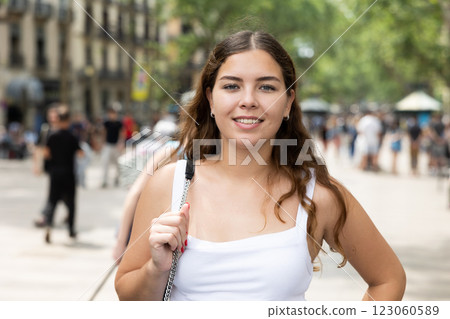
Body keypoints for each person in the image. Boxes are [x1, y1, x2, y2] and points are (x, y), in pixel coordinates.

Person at [115, 30, 405, 300]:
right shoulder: (169, 183)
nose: (248, 100)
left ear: (288, 102)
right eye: (231, 86)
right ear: (210, 99)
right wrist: (156, 269)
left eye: (266, 87)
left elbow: (388, 279)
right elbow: (127, 294)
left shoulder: (318, 194)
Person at [43, 105, 84, 243]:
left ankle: (48, 225)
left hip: (55, 173)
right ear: (68, 121)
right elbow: (80, 154)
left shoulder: (52, 135)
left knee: (52, 201)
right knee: (71, 202)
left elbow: (46, 153)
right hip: (68, 173)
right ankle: (71, 230)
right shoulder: (72, 136)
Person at [33, 104, 60, 227]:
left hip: (63, 166)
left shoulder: (63, 129)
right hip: (50, 166)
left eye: (55, 115)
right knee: (53, 193)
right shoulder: (45, 130)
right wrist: (36, 165)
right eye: (51, 115)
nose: (53, 117)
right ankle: (47, 217)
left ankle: (47, 217)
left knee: (56, 193)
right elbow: (38, 148)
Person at [101, 107, 124, 188]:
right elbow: (104, 133)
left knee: (117, 164)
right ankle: (104, 181)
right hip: (108, 145)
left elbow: (122, 133)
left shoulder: (119, 123)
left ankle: (117, 178)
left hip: (116, 145)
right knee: (105, 163)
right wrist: (102, 143)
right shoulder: (106, 123)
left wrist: (121, 143)